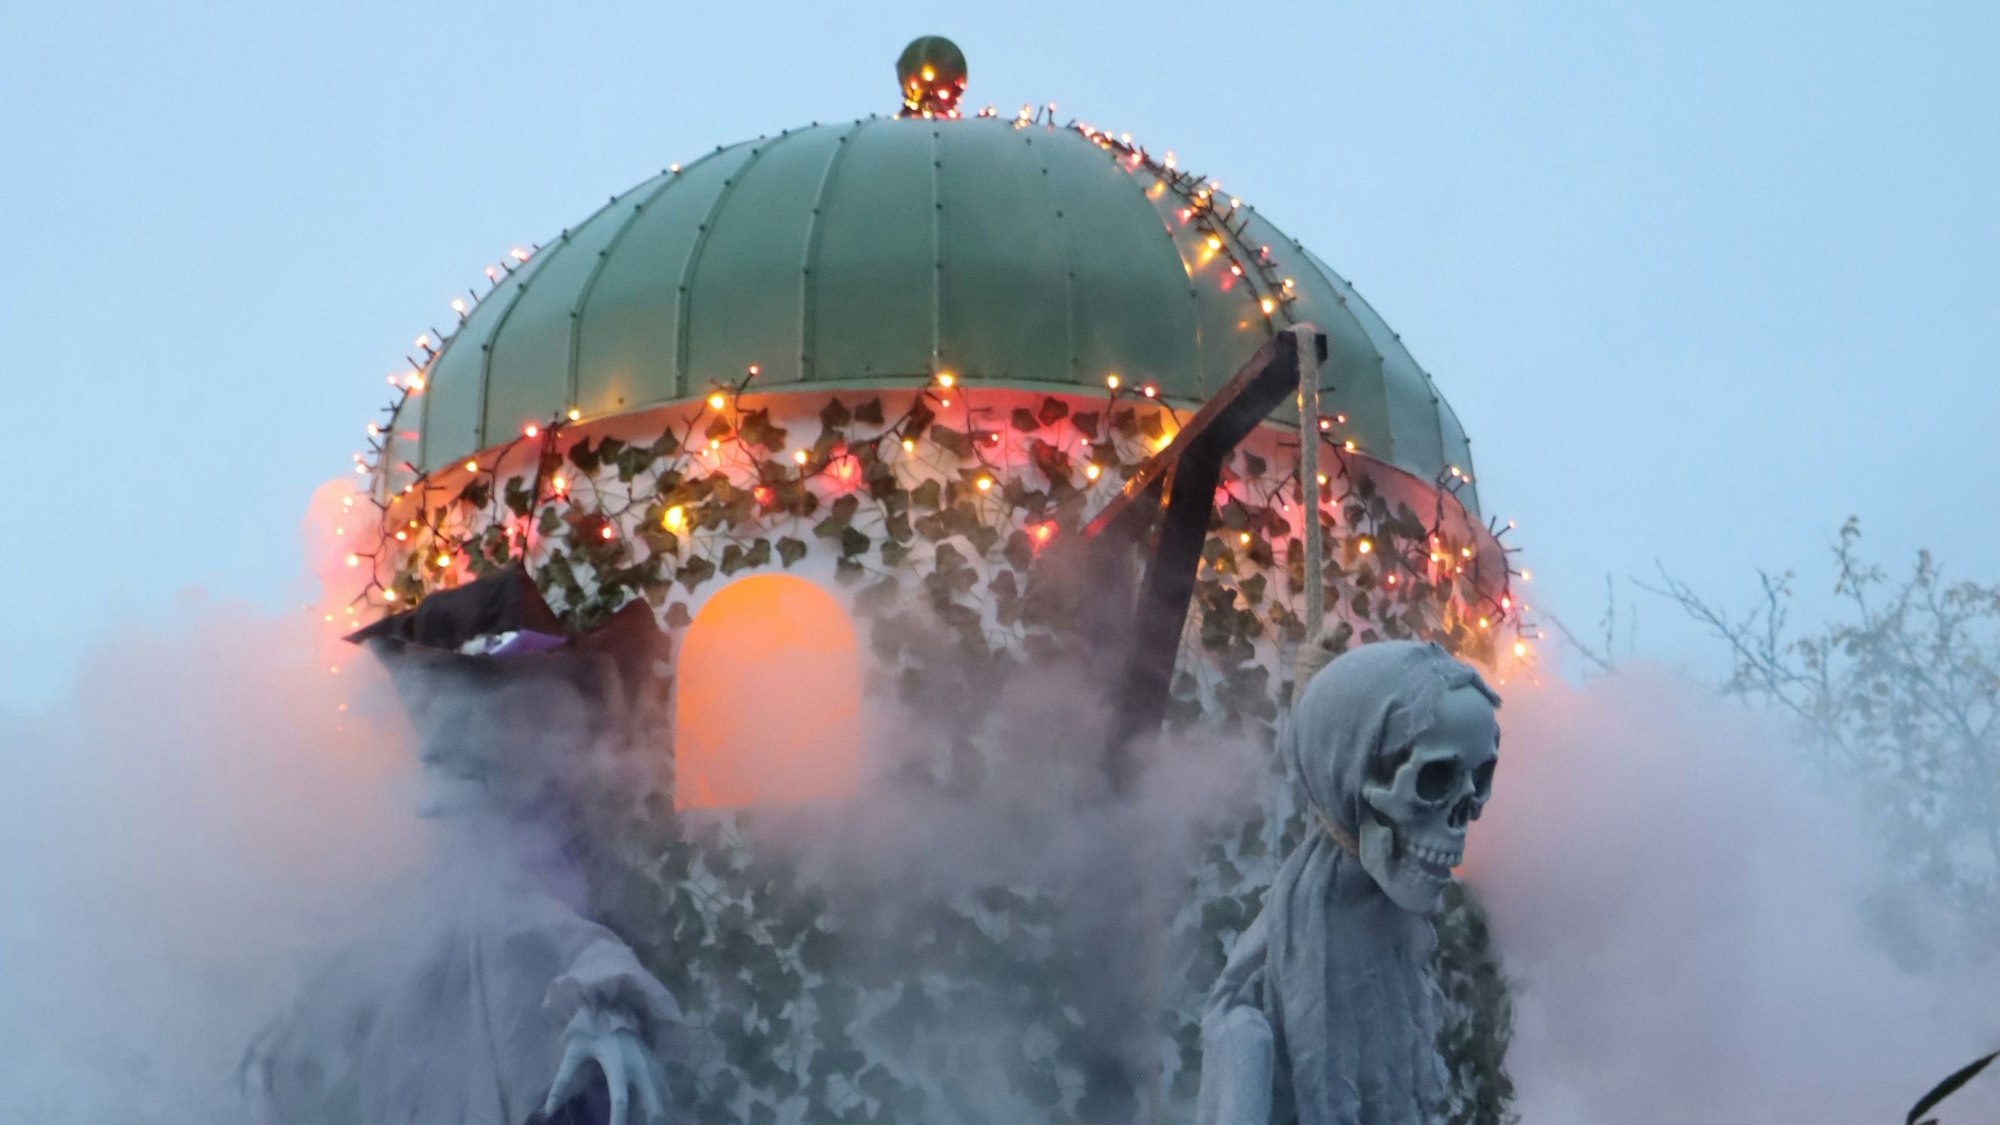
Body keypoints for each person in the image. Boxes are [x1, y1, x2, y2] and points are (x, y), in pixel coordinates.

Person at [244, 569, 679, 1125]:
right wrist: (303, 1027)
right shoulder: (442, 869)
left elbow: (543, 922)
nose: (434, 746)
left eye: (468, 716)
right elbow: (403, 946)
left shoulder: (534, 848)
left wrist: (607, 1006)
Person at [1197, 639, 1501, 1125]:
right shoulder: (1255, 1010)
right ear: (1347, 776)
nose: (1461, 819)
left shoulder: (1397, 947)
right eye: (1433, 779)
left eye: (1478, 780)